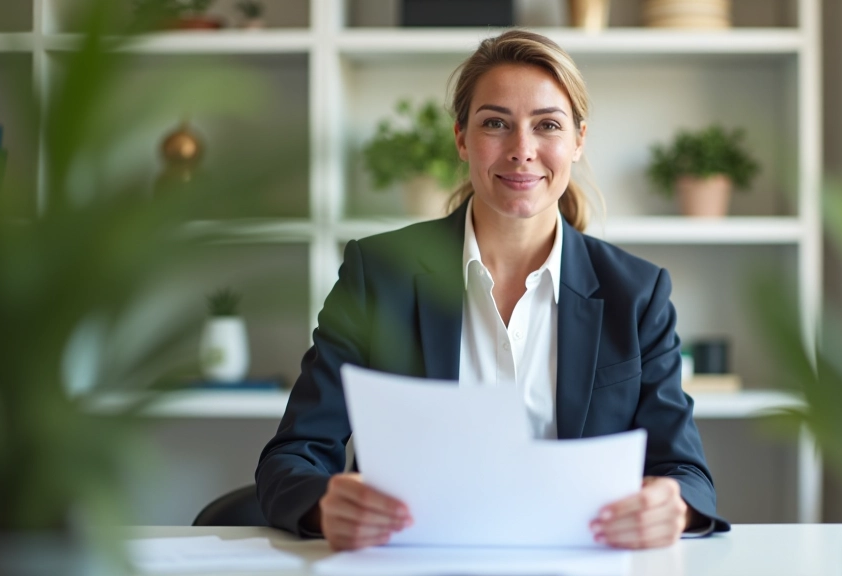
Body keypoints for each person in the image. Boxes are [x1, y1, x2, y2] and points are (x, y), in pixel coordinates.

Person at [256, 29, 729, 552]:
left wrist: (673, 506)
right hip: (414, 560)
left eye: (547, 125)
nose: (522, 150)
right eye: (496, 123)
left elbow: (686, 473)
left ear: (578, 140)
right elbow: (292, 456)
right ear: (462, 138)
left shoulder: (637, 293)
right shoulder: (379, 275)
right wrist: (324, 504)